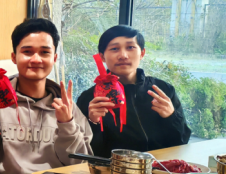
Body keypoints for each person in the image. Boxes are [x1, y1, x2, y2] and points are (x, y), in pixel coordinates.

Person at [0, 18, 93, 174]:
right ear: (14, 57)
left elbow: (81, 165)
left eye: (44, 52)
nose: (36, 59)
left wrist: (67, 124)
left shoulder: (67, 107)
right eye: (27, 52)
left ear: (54, 58)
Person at [76, 25, 191, 157]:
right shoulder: (90, 99)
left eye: (130, 47)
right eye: (114, 49)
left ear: (142, 53)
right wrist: (93, 122)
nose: (123, 55)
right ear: (102, 56)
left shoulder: (163, 90)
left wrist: (171, 117)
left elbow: (182, 142)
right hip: (114, 169)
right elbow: (84, 153)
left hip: (160, 167)